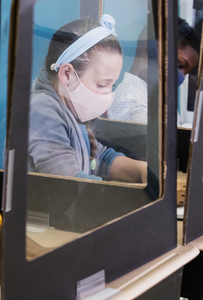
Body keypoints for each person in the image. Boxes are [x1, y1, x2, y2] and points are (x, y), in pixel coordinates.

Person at [28, 15, 147, 183]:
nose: (108, 95)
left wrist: (142, 171)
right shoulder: (42, 111)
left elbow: (96, 158)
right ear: (67, 74)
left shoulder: (72, 109)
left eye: (111, 85)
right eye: (101, 84)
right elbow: (69, 182)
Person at [108, 18, 201, 124]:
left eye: (185, 73)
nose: (181, 77)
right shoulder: (131, 96)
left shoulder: (155, 98)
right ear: (150, 52)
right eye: (179, 65)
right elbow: (156, 137)